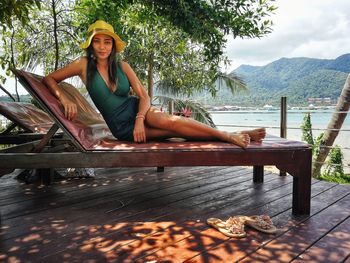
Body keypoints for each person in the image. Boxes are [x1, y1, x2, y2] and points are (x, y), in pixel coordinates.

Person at [43, 20, 265, 148]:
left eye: (107, 42)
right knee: (176, 132)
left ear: (113, 45)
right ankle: (235, 133)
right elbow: (49, 79)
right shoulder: (82, 65)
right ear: (91, 45)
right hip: (122, 128)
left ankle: (229, 136)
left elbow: (144, 96)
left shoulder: (123, 66)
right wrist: (63, 98)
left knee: (167, 120)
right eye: (97, 42)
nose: (102, 47)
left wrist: (140, 118)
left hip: (138, 112)